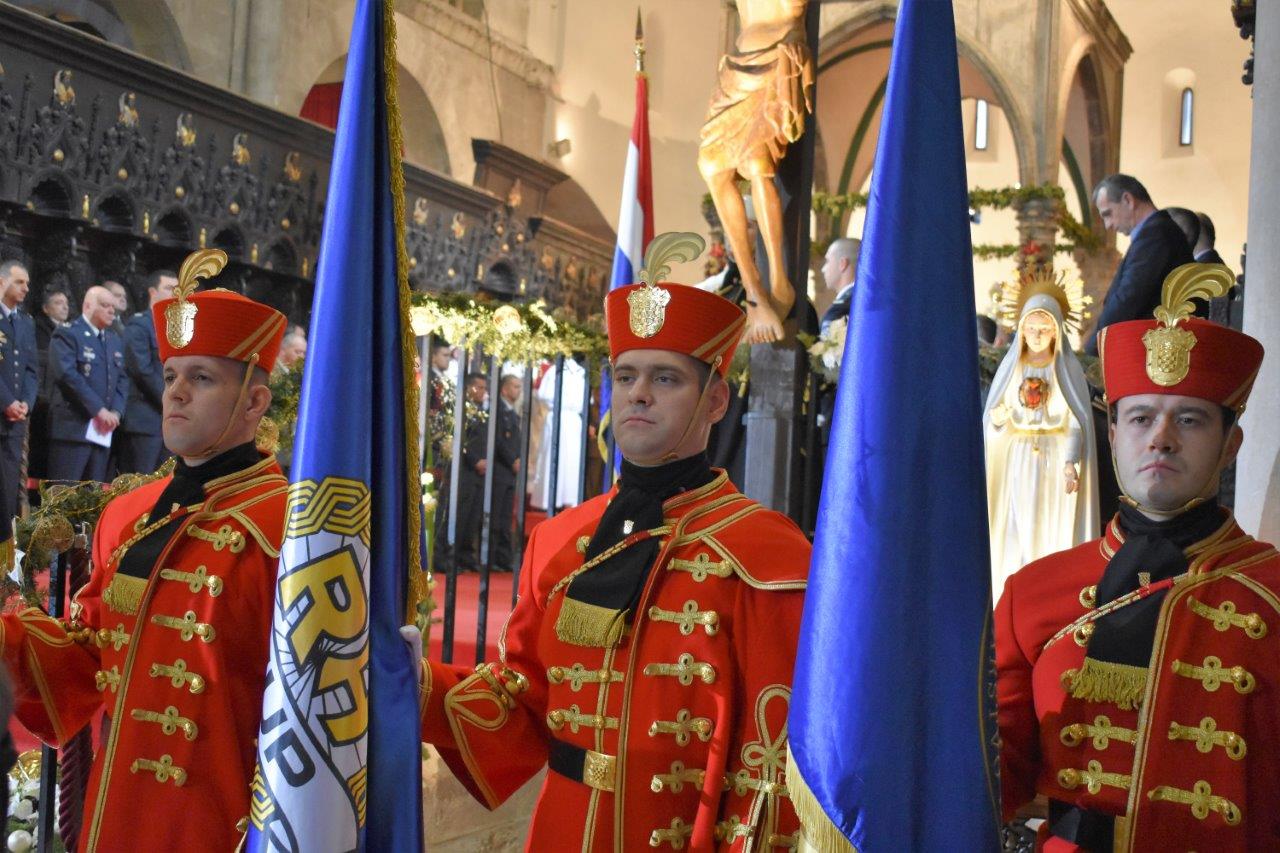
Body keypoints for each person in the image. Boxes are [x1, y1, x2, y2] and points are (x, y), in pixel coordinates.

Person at [414, 234, 811, 849]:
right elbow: (519, 703)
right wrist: (407, 681)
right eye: (626, 376)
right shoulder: (561, 538)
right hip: (563, 829)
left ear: (715, 400)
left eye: (666, 378)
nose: (638, 394)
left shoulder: (764, 554)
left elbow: (773, 761)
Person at [0, 250, 288, 851]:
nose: (176, 393)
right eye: (171, 376)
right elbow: (86, 663)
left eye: (201, 378)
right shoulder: (128, 512)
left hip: (225, 819)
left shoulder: (287, 525)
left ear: (255, 403)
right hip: (121, 808)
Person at [996, 263, 1280, 849]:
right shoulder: (1033, 592)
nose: (1161, 438)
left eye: (1191, 420)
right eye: (1141, 417)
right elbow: (983, 778)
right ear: (1113, 435)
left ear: (1231, 445)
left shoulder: (1272, 590)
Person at [984, 273, 1099, 596]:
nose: (1036, 335)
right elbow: (995, 419)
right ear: (1021, 329)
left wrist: (1070, 461)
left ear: (1056, 331)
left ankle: (1045, 591)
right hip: (1018, 458)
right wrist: (997, 421)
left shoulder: (1065, 370)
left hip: (1053, 457)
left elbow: (1076, 420)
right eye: (1031, 328)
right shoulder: (1014, 368)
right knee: (1017, 527)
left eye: (1044, 329)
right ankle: (1013, 586)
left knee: (1049, 526)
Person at [1084, 174, 1195, 355]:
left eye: (1108, 214)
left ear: (1128, 200)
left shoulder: (1156, 235)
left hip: (1155, 354)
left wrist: (1094, 348)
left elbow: (1129, 298)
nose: (1107, 225)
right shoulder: (1155, 232)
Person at [47, 286, 128, 482]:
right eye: (105, 305)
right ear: (88, 305)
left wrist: (116, 412)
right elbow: (67, 375)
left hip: (102, 431)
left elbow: (123, 378)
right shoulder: (68, 334)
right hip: (74, 429)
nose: (111, 311)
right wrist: (99, 410)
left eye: (113, 307)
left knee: (94, 499)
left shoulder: (113, 339)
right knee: (64, 496)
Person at [117, 270, 176, 474]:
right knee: (139, 482)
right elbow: (141, 370)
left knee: (163, 486)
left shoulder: (176, 330)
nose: (175, 294)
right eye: (169, 288)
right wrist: (170, 398)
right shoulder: (140, 324)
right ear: (153, 292)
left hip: (168, 421)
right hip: (145, 418)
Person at [0, 261, 38, 554]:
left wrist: (25, 401)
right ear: (2, 282)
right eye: (19, 282)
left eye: (26, 283)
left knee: (10, 491)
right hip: (3, 411)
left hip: (14, 422)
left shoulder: (25, 322)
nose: (26, 288)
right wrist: (7, 402)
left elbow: (31, 370)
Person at [492, 373, 523, 571]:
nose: (518, 390)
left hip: (510, 472)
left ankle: (503, 559)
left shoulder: (512, 412)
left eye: (520, 387)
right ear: (504, 389)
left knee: (505, 518)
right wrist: (513, 460)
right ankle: (494, 557)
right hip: (500, 469)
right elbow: (499, 440)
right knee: (495, 517)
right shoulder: (498, 411)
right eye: (514, 386)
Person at [818, 236, 860, 334]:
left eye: (827, 261)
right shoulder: (864, 299)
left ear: (842, 264)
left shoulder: (841, 309)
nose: (823, 269)